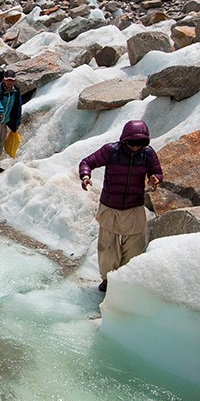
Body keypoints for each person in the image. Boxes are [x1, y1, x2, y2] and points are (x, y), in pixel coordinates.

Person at [78, 120, 162, 293]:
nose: (135, 147)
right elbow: (87, 162)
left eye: (140, 143)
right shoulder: (111, 151)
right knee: (108, 248)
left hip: (134, 207)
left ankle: (125, 279)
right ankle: (108, 280)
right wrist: (85, 176)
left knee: (135, 247)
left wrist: (155, 178)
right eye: (132, 143)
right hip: (111, 206)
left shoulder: (147, 154)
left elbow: (156, 170)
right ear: (124, 140)